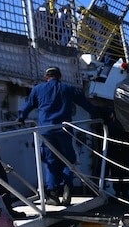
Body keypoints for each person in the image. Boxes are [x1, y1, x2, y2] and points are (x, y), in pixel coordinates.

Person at [18, 66, 98, 206]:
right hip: (64, 130)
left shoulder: (38, 89)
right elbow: (86, 104)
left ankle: (53, 195)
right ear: (60, 76)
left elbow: (28, 106)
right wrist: (101, 114)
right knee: (68, 160)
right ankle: (67, 189)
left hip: (46, 131)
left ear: (46, 77)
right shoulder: (68, 88)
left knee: (51, 162)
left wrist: (21, 117)